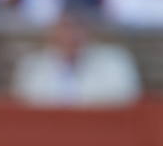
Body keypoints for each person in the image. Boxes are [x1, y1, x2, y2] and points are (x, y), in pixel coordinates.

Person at [9, 7, 142, 105]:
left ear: (88, 31)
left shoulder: (115, 61)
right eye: (65, 27)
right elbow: (24, 104)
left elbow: (126, 99)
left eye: (77, 27)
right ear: (52, 32)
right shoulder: (32, 65)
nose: (70, 35)